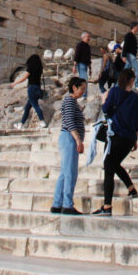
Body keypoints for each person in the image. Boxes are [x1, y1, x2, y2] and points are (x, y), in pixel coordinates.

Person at [92, 69, 138, 215]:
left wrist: (104, 100)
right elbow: (137, 121)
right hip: (129, 139)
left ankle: (107, 206)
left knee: (109, 167)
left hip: (115, 136)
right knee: (113, 164)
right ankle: (131, 189)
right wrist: (136, 139)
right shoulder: (137, 99)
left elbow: (106, 109)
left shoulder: (114, 92)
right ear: (132, 80)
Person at [51, 77, 87, 216]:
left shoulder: (71, 101)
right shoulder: (70, 101)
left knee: (65, 173)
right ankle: (67, 204)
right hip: (69, 138)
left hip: (68, 138)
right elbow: (69, 121)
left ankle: (57, 203)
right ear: (74, 88)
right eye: (82, 88)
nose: (83, 92)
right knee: (70, 173)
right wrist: (78, 139)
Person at [12, 53, 48, 129]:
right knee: (27, 108)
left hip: (31, 89)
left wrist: (15, 83)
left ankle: (42, 121)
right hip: (38, 88)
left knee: (35, 106)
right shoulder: (39, 69)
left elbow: (24, 78)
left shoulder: (31, 68)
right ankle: (21, 124)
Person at [74, 32, 93, 99]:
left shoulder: (88, 46)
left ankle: (79, 93)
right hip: (81, 64)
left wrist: (90, 68)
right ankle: (84, 94)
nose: (89, 38)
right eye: (87, 37)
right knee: (84, 79)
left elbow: (89, 57)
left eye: (89, 37)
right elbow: (77, 55)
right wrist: (74, 66)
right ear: (83, 37)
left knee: (82, 79)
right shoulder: (80, 45)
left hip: (86, 65)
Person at [123, 23, 138, 87]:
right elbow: (125, 46)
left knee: (125, 72)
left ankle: (118, 85)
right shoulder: (129, 35)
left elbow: (131, 46)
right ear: (134, 27)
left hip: (132, 55)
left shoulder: (133, 36)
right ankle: (137, 84)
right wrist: (123, 55)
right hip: (130, 55)